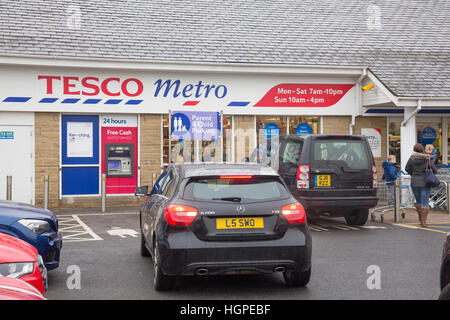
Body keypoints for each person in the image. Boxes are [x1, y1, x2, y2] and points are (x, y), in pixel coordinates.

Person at [405, 143, 437, 227]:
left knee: (418, 201)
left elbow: (406, 169)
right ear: (422, 149)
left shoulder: (412, 158)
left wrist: (414, 174)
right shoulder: (427, 158)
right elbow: (435, 170)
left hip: (415, 182)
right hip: (425, 182)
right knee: (425, 202)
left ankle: (420, 219)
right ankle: (423, 221)